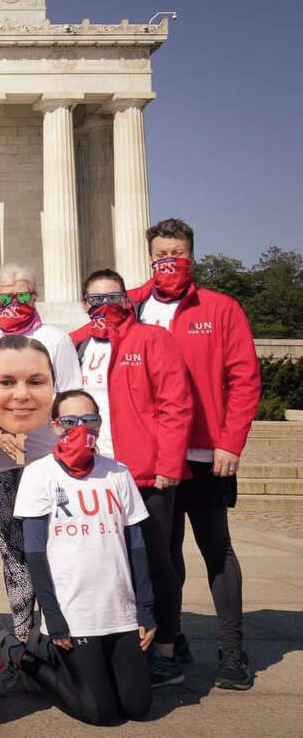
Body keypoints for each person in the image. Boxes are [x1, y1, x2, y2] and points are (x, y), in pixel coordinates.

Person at [129, 218, 260, 690]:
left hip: (207, 452)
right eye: (161, 253)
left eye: (177, 253)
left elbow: (244, 378)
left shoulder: (220, 308)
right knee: (162, 555)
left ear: (191, 256)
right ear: (149, 256)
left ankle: (233, 649)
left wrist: (231, 441)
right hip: (154, 456)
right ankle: (172, 639)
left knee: (215, 548)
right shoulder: (135, 306)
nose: (169, 260)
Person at [0, 389, 154, 725]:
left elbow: (137, 544)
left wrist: (146, 610)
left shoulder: (117, 472)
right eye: (70, 421)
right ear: (55, 425)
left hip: (119, 610)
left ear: (99, 424)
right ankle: (25, 658)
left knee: (138, 707)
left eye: (90, 420)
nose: (81, 428)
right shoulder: (40, 475)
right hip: (74, 612)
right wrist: (53, 616)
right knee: (100, 713)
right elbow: (35, 554)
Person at [69, 268, 193, 687]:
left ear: (128, 300)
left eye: (113, 298)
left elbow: (176, 404)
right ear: (84, 302)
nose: (104, 307)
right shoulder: (77, 344)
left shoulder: (151, 339)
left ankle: (166, 653)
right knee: (109, 565)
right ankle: (123, 644)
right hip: (92, 473)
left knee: (156, 561)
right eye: (95, 299)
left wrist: (169, 465)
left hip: (144, 473)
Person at [0, 265, 81, 682]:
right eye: (6, 296)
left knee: (53, 550)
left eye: (22, 295)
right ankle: (22, 639)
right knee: (13, 552)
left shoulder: (55, 339)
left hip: (47, 462)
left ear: (35, 296)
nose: (13, 303)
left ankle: (59, 634)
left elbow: (71, 397)